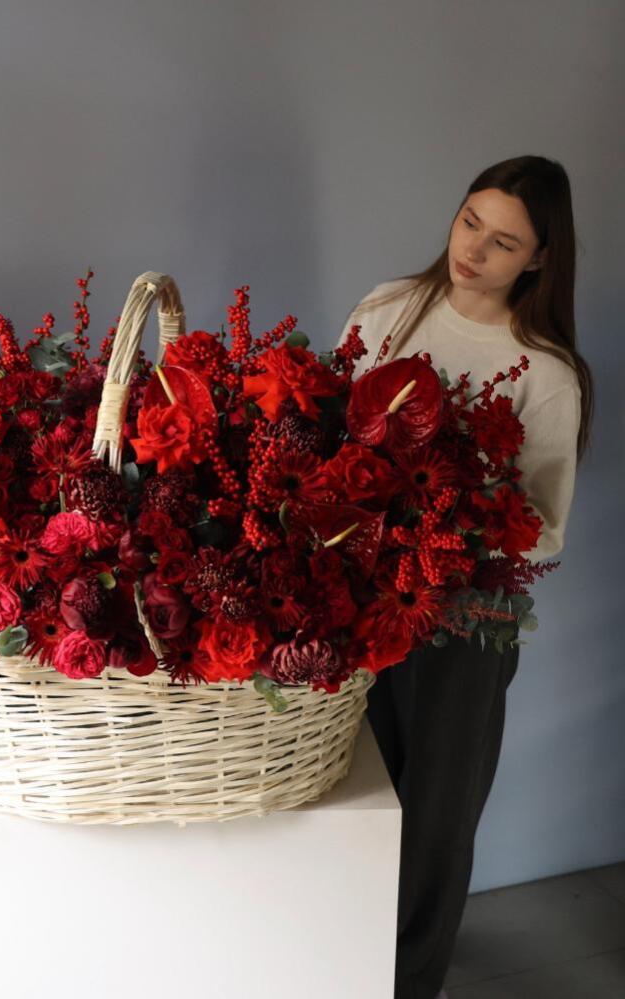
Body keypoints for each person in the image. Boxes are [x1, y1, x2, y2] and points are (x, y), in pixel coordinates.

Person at [334, 155, 593, 999]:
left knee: (435, 815)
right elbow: (326, 438)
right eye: (469, 221)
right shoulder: (387, 309)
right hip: (357, 594)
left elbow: (541, 525)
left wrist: (454, 509)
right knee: (345, 786)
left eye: (503, 242)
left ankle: (406, 982)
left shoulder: (542, 373)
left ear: (539, 258)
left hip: (463, 616)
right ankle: (335, 961)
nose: (473, 250)